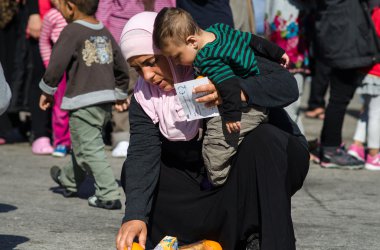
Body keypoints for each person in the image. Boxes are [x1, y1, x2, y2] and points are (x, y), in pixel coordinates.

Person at [116, 11, 309, 250]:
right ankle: (199, 241)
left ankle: (261, 239)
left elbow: (286, 85)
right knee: (135, 173)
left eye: (151, 62)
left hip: (259, 167)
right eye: (137, 69)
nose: (147, 75)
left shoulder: (218, 55)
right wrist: (134, 215)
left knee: (263, 140)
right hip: (206, 179)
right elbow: (143, 153)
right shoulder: (145, 97)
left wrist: (236, 91)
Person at [153, 7, 289, 186]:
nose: (176, 63)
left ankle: (218, 181)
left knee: (215, 145)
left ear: (192, 42)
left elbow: (228, 85)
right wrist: (278, 52)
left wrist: (231, 116)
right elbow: (251, 39)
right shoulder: (219, 29)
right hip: (254, 94)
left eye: (177, 56)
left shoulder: (207, 58)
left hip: (244, 108)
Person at [39, 0, 130, 209]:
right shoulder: (104, 31)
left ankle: (108, 193)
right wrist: (120, 92)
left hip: (83, 101)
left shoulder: (72, 31)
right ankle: (69, 180)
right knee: (83, 143)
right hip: (104, 101)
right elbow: (121, 66)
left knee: (90, 147)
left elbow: (57, 63)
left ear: (70, 7)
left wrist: (47, 90)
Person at [313, 0, 380, 169]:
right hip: (346, 38)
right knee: (339, 99)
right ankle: (331, 150)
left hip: (334, 35)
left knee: (337, 98)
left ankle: (328, 146)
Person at [347, 6, 380, 171]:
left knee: (366, 110)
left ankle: (357, 145)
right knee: (376, 113)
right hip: (377, 72)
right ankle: (374, 155)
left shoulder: (373, 11)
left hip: (366, 70)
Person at [39, 0, 70, 157]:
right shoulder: (51, 16)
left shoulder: (79, 17)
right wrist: (48, 64)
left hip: (79, 68)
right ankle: (61, 142)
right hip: (59, 70)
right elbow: (44, 42)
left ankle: (78, 142)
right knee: (60, 107)